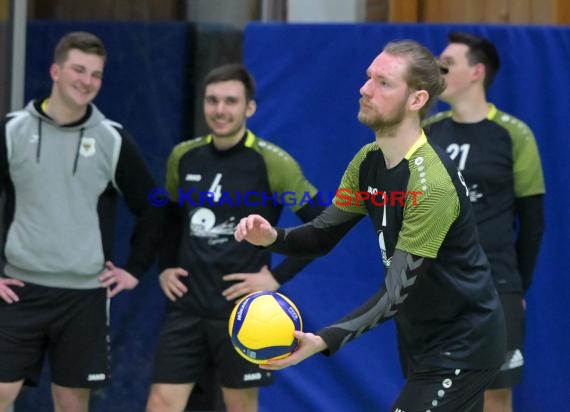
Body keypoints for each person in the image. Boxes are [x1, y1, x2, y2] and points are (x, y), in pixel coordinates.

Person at [234, 40, 507, 411]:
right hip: (421, 339)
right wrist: (272, 237)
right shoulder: (368, 161)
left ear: (416, 100)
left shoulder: (430, 184)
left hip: (463, 342)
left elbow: (396, 293)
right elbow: (321, 235)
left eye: (383, 82)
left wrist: (324, 339)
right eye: (368, 78)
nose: (365, 89)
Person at [145, 63, 325, 412]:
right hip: (188, 308)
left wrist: (274, 277)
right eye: (212, 101)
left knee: (240, 406)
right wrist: (165, 266)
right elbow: (168, 217)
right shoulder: (184, 156)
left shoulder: (273, 163)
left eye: (230, 101)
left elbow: (321, 225)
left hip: (246, 313)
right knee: (161, 403)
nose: (220, 110)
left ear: (250, 108)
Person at [0, 32, 162, 412]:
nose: (86, 81)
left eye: (96, 74)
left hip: (84, 298)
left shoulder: (111, 139)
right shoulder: (12, 131)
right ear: (55, 71)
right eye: (78, 69)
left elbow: (155, 204)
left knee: (72, 403)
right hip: (20, 289)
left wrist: (135, 270)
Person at [423, 32, 545, 412]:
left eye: (447, 64)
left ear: (476, 72)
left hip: (496, 285)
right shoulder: (428, 133)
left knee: (494, 394)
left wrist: (516, 287)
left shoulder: (513, 133)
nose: (437, 71)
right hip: (437, 285)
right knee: (437, 393)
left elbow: (533, 220)